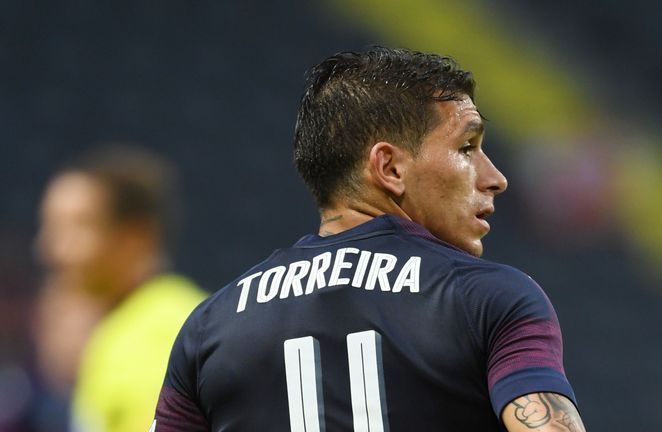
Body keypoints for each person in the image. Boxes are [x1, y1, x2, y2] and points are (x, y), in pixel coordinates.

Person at [153, 47, 585, 431]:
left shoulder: (209, 328)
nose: (496, 178)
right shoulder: (488, 299)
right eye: (467, 147)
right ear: (390, 168)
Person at [35, 145, 206, 432]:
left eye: (77, 228)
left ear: (136, 236)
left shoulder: (160, 333)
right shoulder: (126, 326)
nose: (51, 250)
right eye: (51, 228)